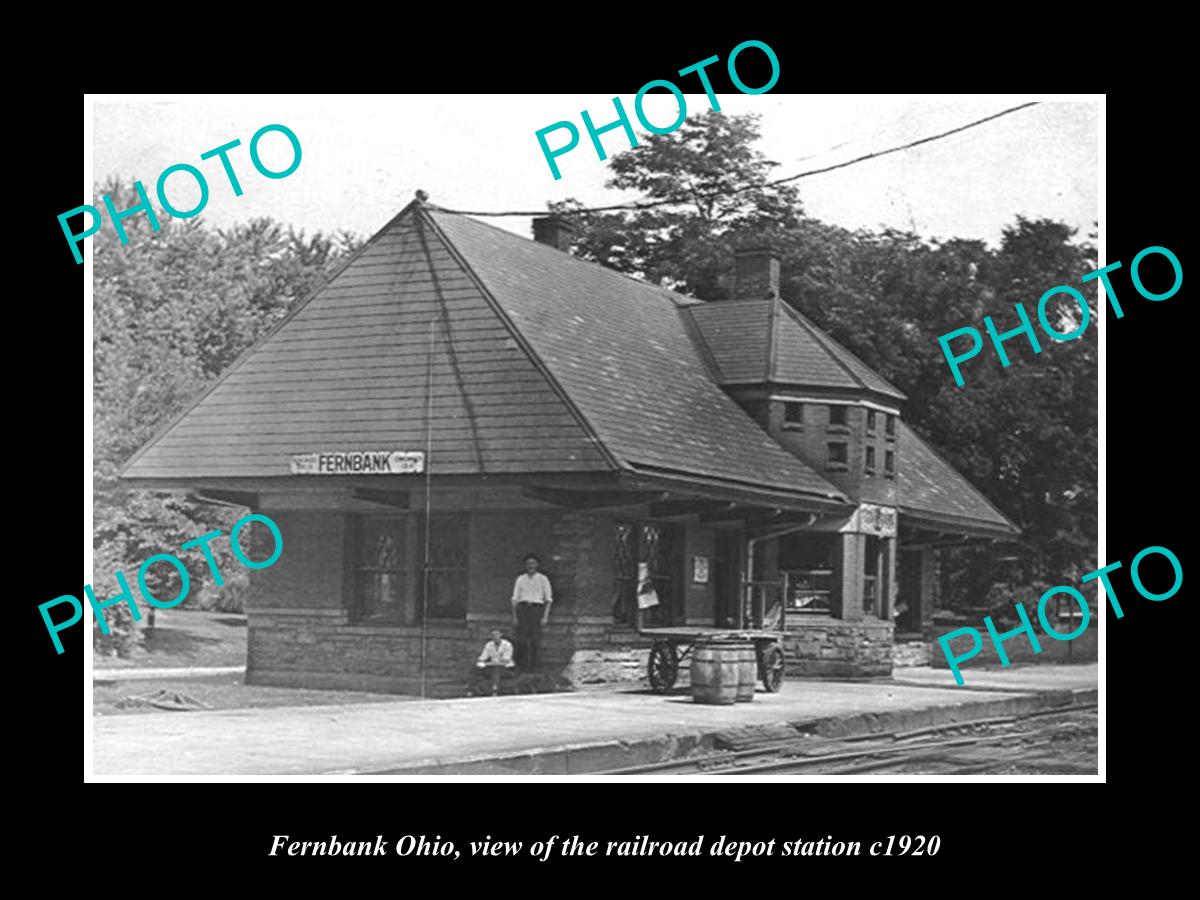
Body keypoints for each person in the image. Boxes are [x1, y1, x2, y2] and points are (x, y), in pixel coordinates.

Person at [511, 554, 553, 671]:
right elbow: (514, 599)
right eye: (528, 564)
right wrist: (515, 617)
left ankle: (534, 668)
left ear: (537, 565)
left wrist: (545, 617)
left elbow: (548, 599)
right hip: (523, 609)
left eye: (533, 563)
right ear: (525, 566)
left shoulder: (542, 579)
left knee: (535, 640)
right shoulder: (520, 579)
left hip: (536, 609)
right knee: (522, 639)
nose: (531, 566)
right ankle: (522, 667)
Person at [475, 628, 515, 695]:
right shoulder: (489, 645)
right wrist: (481, 662)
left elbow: (505, 660)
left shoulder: (507, 645)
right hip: (492, 666)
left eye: (497, 634)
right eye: (493, 635)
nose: (495, 637)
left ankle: (495, 688)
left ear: (501, 635)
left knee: (497, 670)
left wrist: (490, 663)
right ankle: (473, 688)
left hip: (506, 667)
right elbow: (483, 657)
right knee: (478, 669)